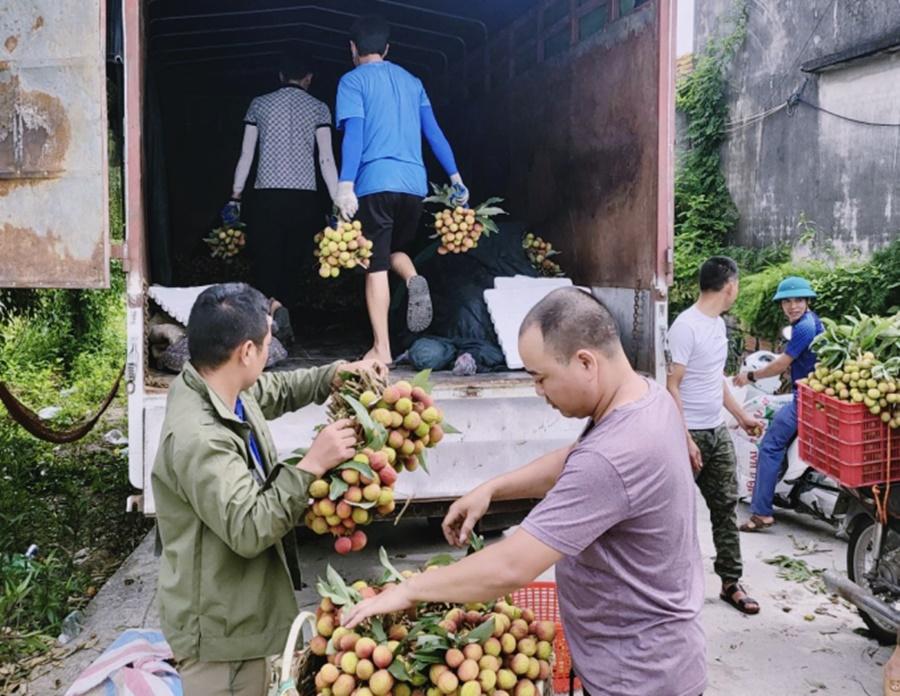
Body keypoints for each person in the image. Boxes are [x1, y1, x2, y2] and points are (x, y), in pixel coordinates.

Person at [343, 287, 707, 696]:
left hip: (637, 678)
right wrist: (493, 488)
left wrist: (407, 592)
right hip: (657, 658)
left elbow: (511, 566)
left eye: (540, 377)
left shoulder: (616, 454)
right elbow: (577, 457)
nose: (537, 390)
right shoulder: (646, 398)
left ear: (586, 362)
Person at [151, 283, 384, 696]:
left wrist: (331, 375)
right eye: (266, 343)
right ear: (245, 352)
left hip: (240, 612)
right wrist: (312, 464)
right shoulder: (200, 437)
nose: (268, 351)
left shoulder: (216, 387)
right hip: (218, 634)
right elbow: (249, 528)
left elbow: (272, 391)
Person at [334, 15, 470, 364]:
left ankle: (381, 349)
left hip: (375, 182)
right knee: (396, 250)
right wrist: (456, 179)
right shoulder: (413, 82)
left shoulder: (352, 81)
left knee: (374, 265)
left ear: (353, 48)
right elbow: (435, 134)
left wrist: (345, 184)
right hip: (413, 185)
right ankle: (412, 278)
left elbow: (356, 134)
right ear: (388, 48)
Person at [667, 256, 765, 615]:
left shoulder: (719, 326)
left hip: (716, 430)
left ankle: (730, 582)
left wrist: (742, 416)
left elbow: (715, 379)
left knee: (725, 507)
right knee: (675, 515)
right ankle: (674, 588)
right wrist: (685, 439)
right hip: (687, 433)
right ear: (730, 286)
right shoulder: (685, 327)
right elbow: (672, 385)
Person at [225, 50, 339, 313]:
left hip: (266, 195)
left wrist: (235, 196)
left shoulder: (258, 104)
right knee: (293, 263)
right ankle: (287, 316)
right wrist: (336, 201)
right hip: (304, 197)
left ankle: (266, 323)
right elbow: (326, 160)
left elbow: (246, 155)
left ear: (280, 76)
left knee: (266, 261)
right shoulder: (319, 108)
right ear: (308, 78)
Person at [735, 276, 823, 532]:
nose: (792, 306)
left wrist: (750, 376)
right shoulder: (811, 321)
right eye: (787, 301)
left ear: (807, 301)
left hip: (806, 399)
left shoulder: (804, 327)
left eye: (798, 300)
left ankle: (761, 513)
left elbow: (781, 364)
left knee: (770, 446)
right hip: (810, 394)